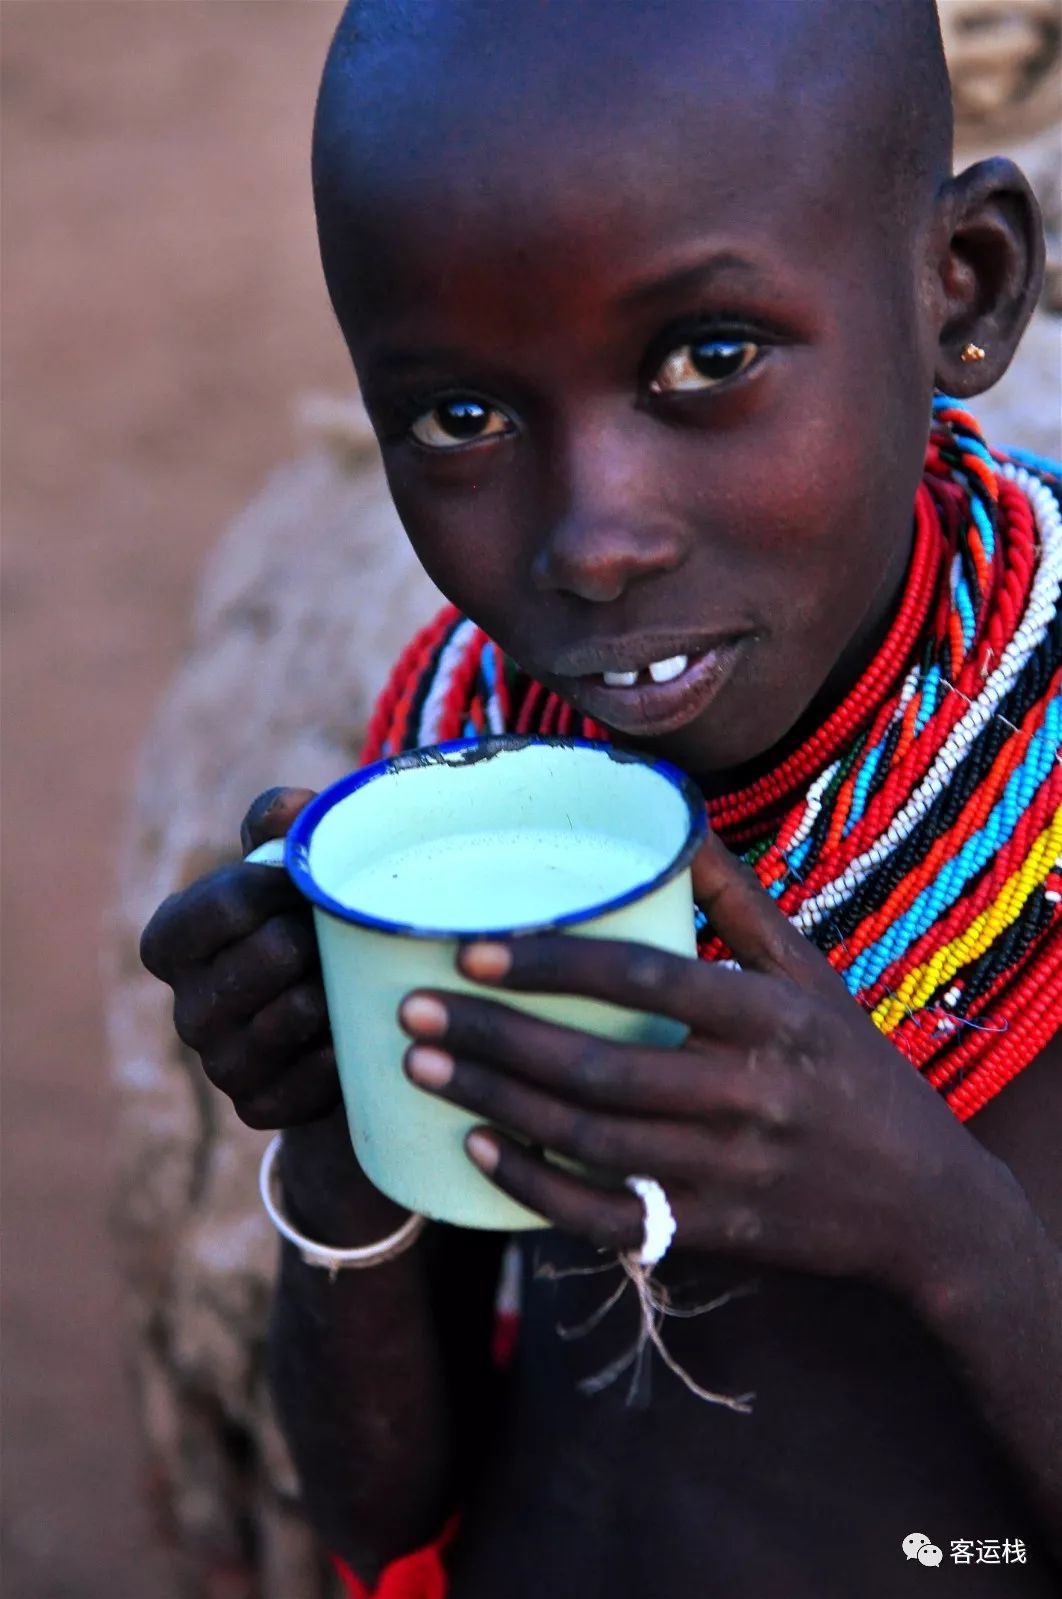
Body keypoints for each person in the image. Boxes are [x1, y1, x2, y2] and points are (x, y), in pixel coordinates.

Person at [140, 1, 1062, 1593]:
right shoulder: (466, 766)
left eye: (708, 359)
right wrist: (345, 1132)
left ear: (958, 291)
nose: (594, 539)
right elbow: (382, 1519)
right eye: (460, 417)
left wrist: (933, 1220)